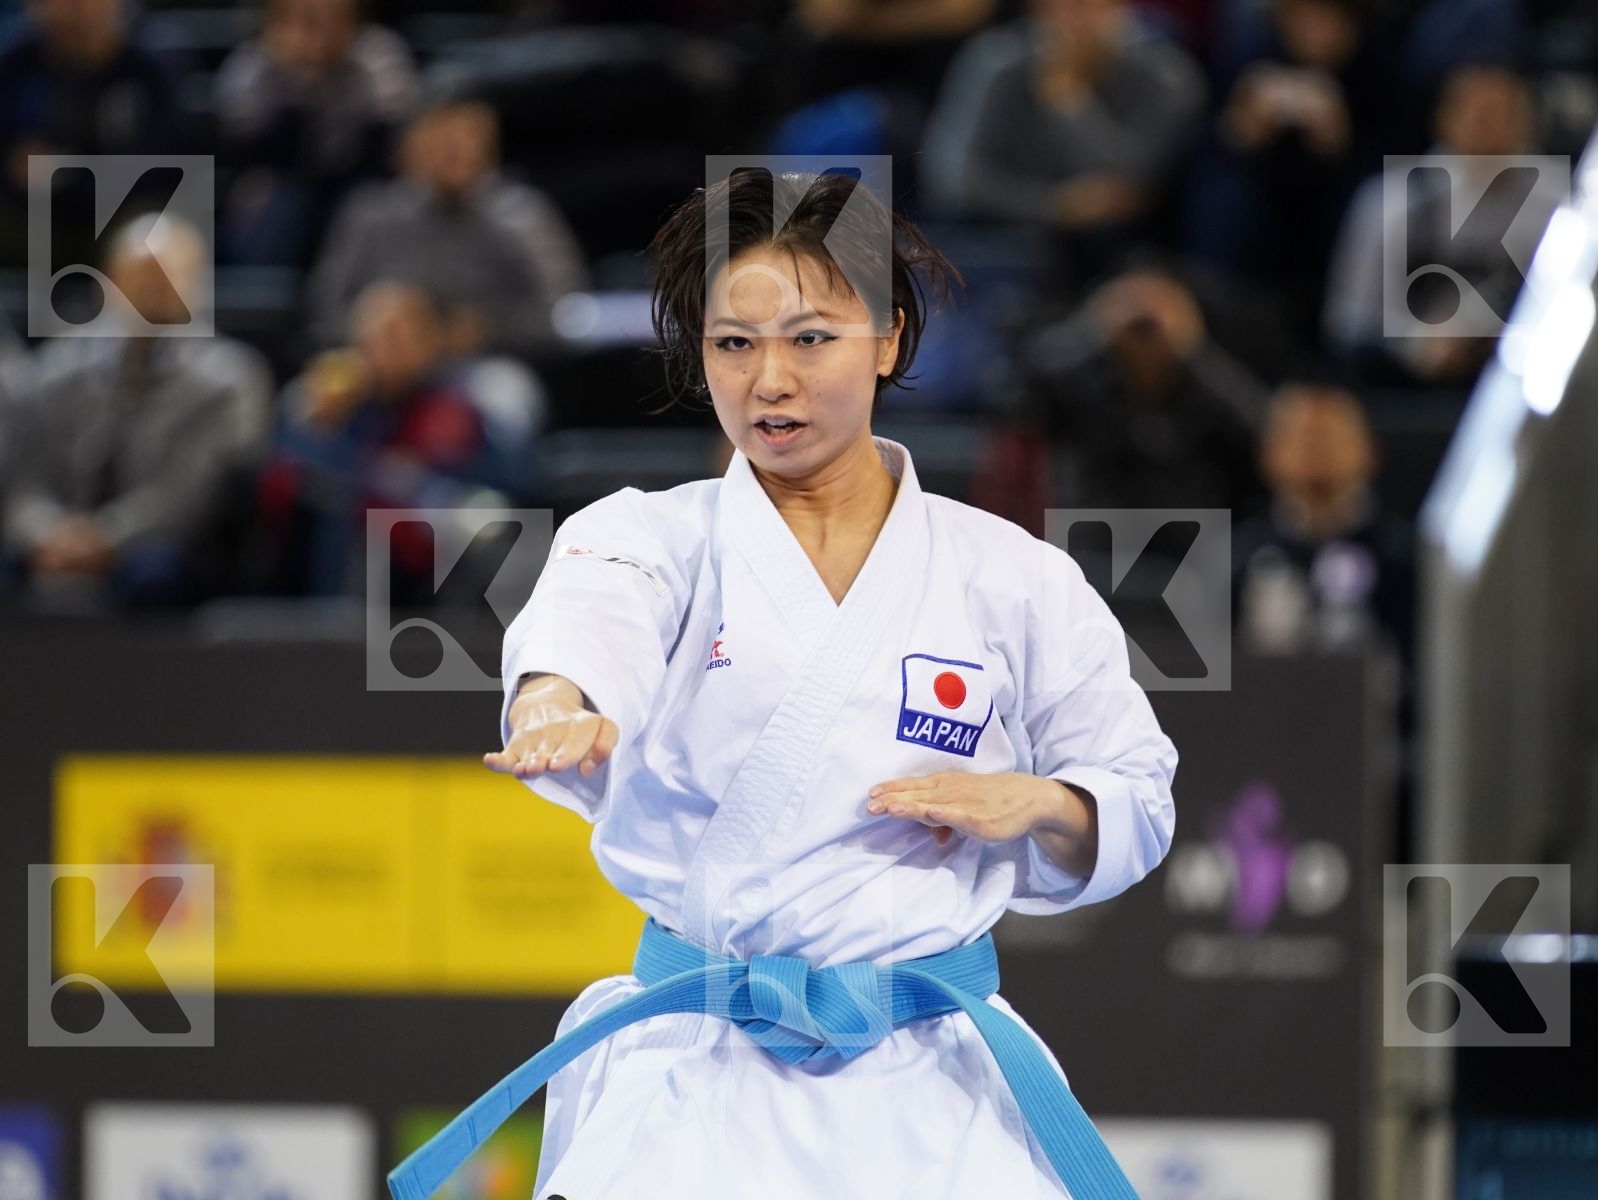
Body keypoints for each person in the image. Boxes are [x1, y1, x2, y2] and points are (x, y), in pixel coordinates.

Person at [387, 170, 1177, 1200]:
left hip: (931, 1082)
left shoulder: (1012, 575)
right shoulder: (648, 536)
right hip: (698, 1075)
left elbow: (1135, 791)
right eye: (733, 343)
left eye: (810, 338)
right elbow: (589, 622)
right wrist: (554, 699)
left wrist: (1044, 802)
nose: (769, 380)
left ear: (886, 339)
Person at [0, 214, 272, 608]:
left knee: (155, 573)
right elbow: (24, 480)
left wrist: (104, 539)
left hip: (165, 544)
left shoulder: (230, 379)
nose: (153, 291)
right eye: (142, 276)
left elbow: (191, 495)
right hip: (58, 537)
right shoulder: (56, 370)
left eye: (168, 278)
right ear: (107, 282)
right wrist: (45, 534)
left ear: (198, 284)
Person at [306, 97, 589, 360]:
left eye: (471, 139)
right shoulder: (372, 213)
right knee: (309, 392)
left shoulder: (521, 216)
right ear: (409, 148)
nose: (459, 150)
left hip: (484, 361)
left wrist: (491, 328)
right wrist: (379, 329)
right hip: (378, 363)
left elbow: (565, 310)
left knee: (502, 390)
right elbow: (324, 309)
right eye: (444, 141)